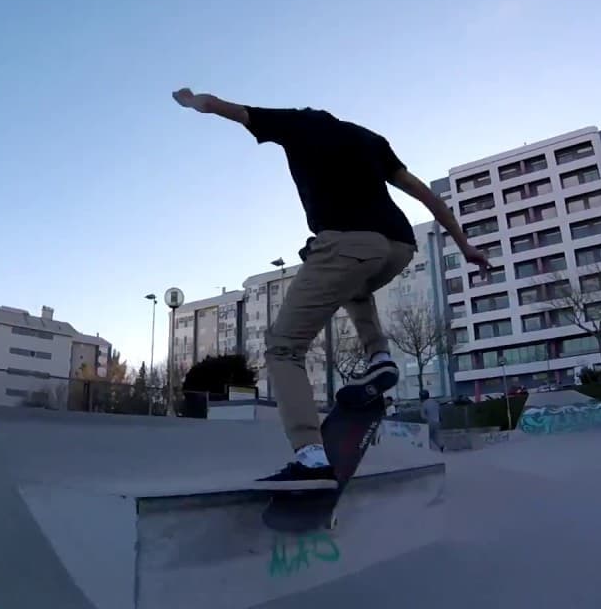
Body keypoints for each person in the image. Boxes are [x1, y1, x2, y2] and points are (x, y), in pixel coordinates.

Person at [172, 88, 491, 487]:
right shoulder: (370, 139)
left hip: (347, 243)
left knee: (283, 348)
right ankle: (380, 358)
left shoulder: (296, 124)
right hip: (398, 247)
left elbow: (225, 108)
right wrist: (464, 245)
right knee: (354, 285)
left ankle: (309, 454)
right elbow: (424, 192)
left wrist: (191, 100)